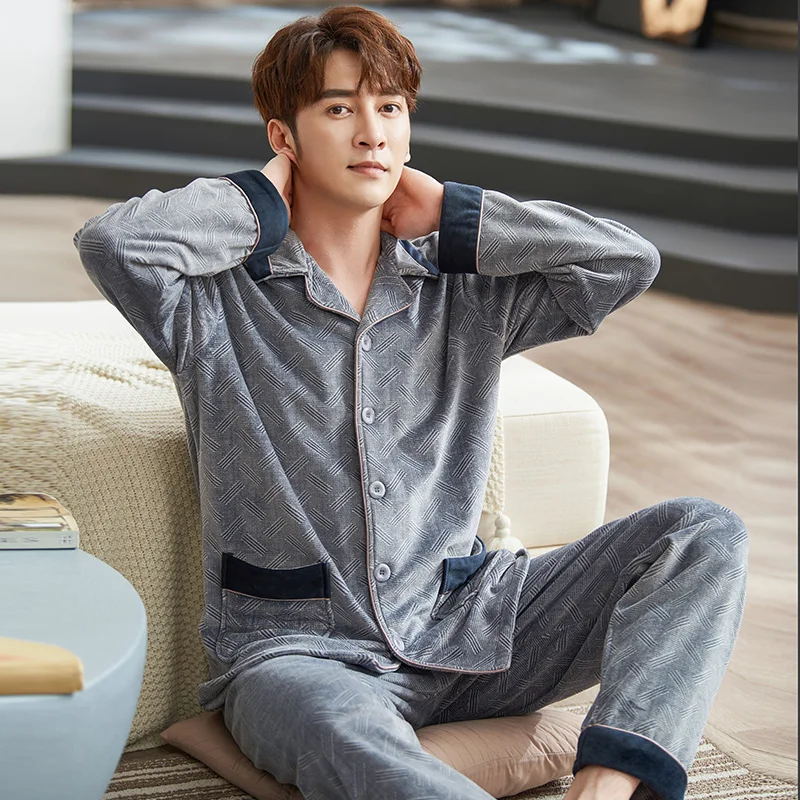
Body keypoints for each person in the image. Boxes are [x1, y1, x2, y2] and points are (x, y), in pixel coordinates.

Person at [73, 6, 748, 800]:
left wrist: (460, 217)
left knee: (702, 533)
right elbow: (113, 244)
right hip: (302, 655)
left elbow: (626, 263)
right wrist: (259, 200)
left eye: (389, 108)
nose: (372, 134)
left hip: (471, 625)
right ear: (284, 137)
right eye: (339, 109)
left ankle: (604, 785)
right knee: (340, 734)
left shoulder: (465, 292)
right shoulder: (214, 305)